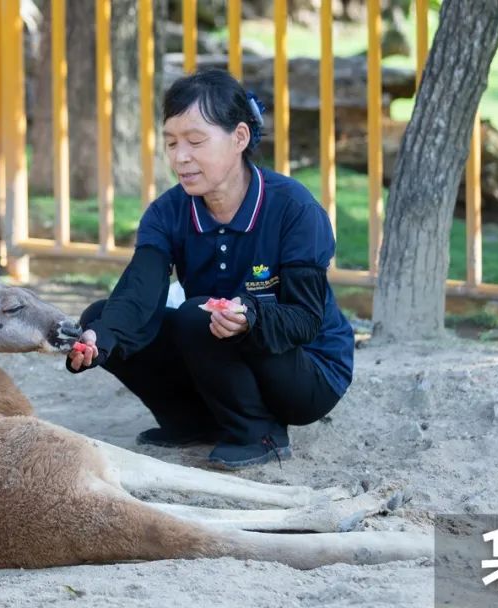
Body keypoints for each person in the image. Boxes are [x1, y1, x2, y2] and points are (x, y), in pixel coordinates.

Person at [66, 69, 354, 470]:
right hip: (220, 343)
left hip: (308, 369)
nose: (180, 157)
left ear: (239, 137)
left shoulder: (294, 209)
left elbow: (305, 319)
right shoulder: (168, 212)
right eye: (171, 142)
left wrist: (251, 317)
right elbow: (140, 290)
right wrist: (103, 338)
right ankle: (194, 423)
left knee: (197, 315)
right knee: (101, 315)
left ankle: (259, 433)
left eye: (195, 141)